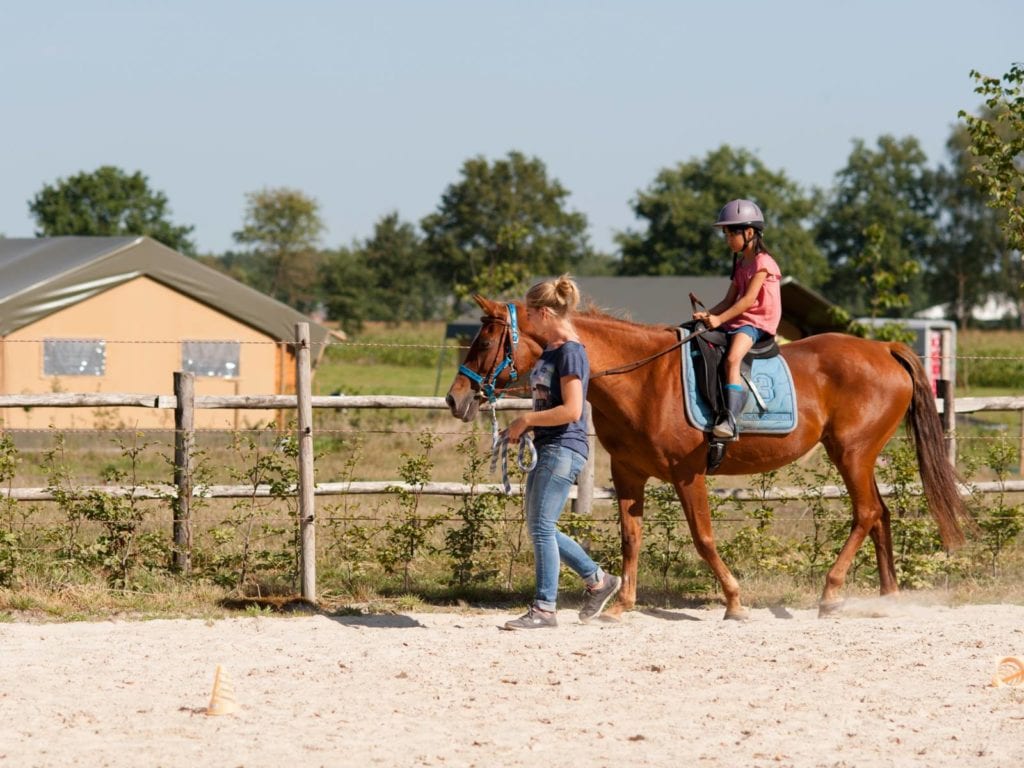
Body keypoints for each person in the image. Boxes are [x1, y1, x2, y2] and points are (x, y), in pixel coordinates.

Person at [501, 274, 621, 630]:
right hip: (548, 445)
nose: (528, 322)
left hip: (563, 445)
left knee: (541, 526)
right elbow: (548, 397)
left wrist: (526, 419)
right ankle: (599, 581)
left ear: (544, 313)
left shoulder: (570, 352)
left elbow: (571, 409)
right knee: (542, 526)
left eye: (530, 314)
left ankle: (544, 609)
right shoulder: (553, 350)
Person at [692, 199, 782, 440]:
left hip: (756, 323)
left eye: (730, 233)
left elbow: (747, 301)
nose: (727, 239)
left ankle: (731, 420)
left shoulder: (763, 263)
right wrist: (708, 315)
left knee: (732, 359)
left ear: (749, 232)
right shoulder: (741, 263)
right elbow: (728, 299)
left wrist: (720, 319)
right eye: (726, 234)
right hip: (740, 320)